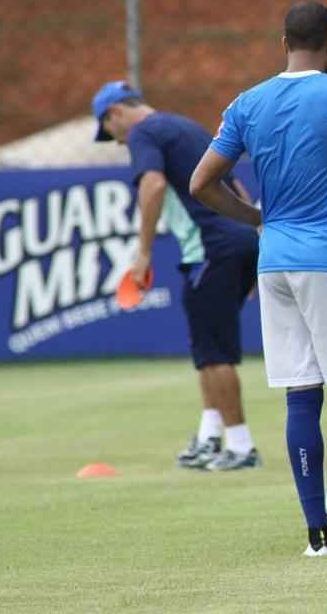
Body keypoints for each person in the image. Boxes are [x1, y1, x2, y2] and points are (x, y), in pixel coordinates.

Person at [190, 1, 327, 556]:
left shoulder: (249, 101)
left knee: (302, 394)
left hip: (274, 260)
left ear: (283, 42)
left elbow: (202, 182)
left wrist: (257, 218)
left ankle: (318, 533)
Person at [91, 80, 260, 472]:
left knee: (214, 352)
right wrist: (253, 241)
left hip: (210, 249)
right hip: (234, 242)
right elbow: (233, 184)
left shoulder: (142, 133)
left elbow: (152, 185)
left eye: (109, 130)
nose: (115, 140)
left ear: (115, 113)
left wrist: (144, 252)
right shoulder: (186, 126)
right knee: (206, 347)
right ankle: (211, 436)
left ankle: (240, 446)